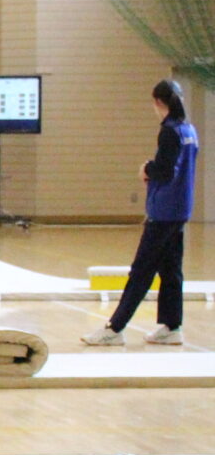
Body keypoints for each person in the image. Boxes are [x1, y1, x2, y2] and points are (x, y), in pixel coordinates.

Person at [83, 79, 199, 346]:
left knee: (141, 271)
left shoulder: (170, 131)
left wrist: (146, 169)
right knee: (171, 270)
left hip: (164, 211)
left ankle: (114, 328)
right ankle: (172, 326)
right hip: (181, 209)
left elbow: (165, 170)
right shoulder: (189, 130)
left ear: (158, 102)